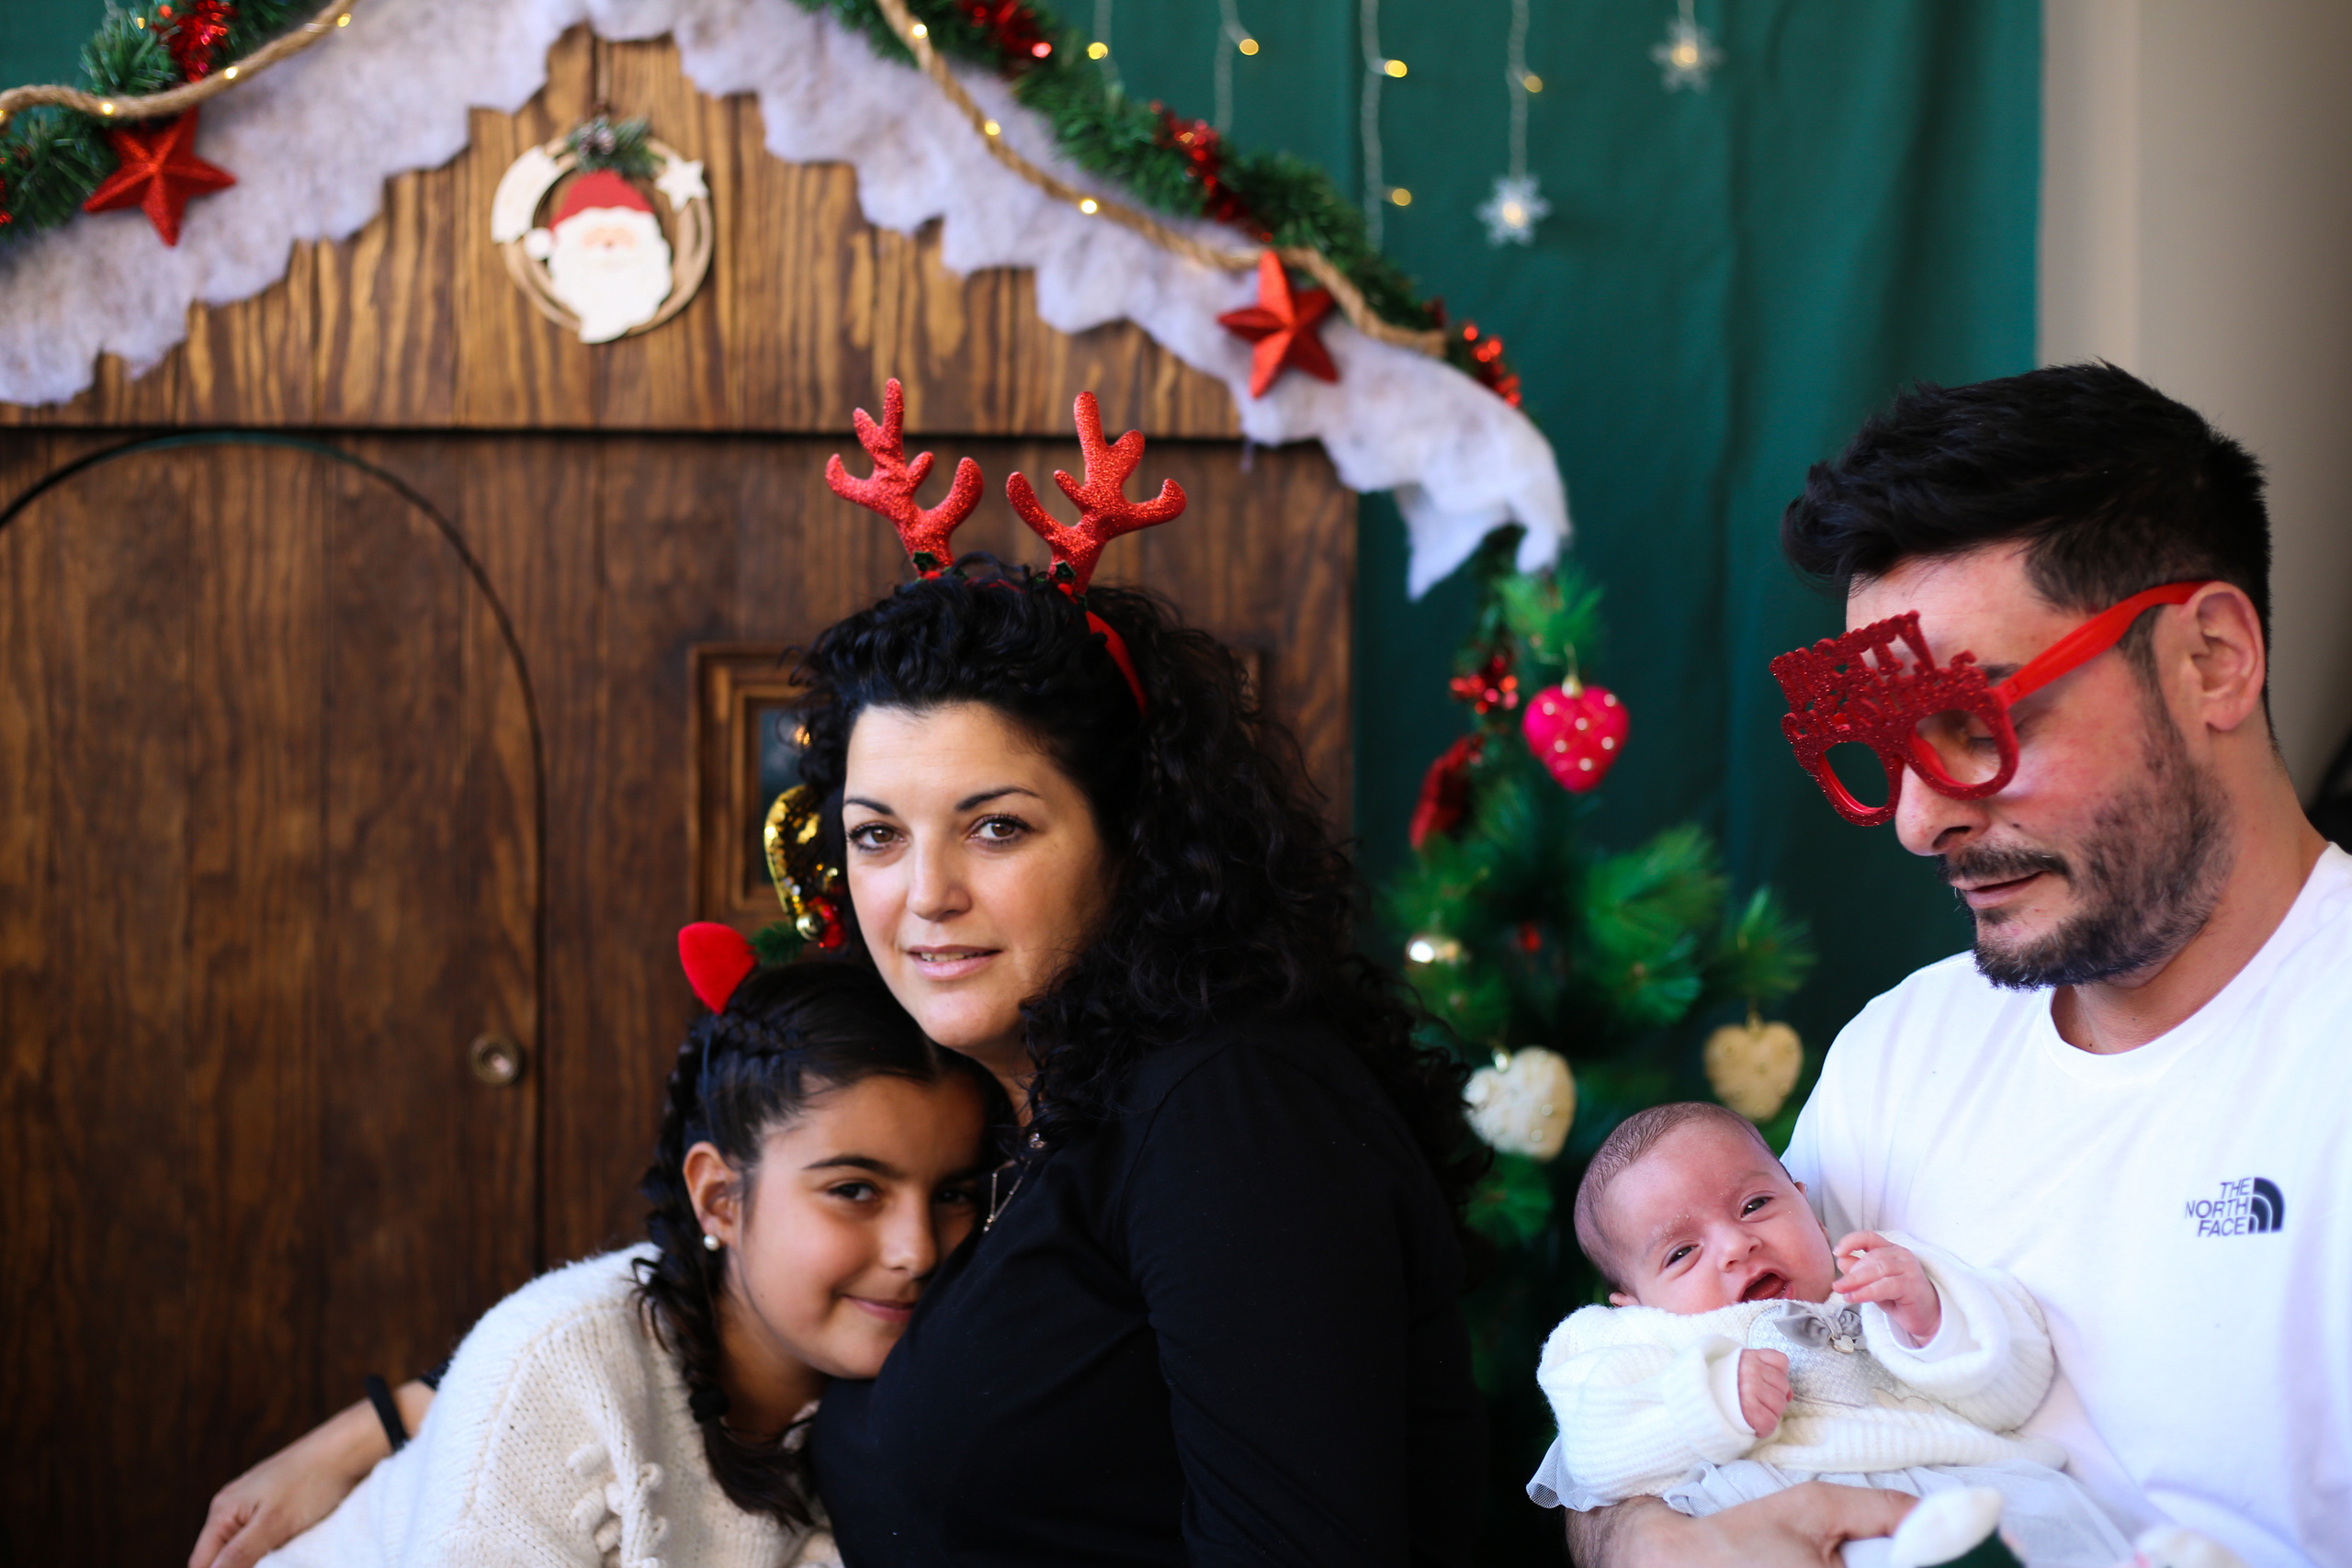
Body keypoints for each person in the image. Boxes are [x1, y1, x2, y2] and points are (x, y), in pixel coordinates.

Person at [192, 385, 1487, 1568]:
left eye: (997, 826)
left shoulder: (1228, 1103)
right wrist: (387, 1416)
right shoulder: (1007, 1106)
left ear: (1135, 836)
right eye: (879, 833)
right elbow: (741, 1315)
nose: (923, 893)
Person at [1571, 363, 2351, 1568]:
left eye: (1977, 720)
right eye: (1886, 747)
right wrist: (1648, 1543)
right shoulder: (1899, 1052)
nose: (1918, 819)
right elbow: (1643, 1411)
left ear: (2211, 660)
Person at [213, 945, 1004, 1568]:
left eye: (954, 1193)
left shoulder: (898, 1395)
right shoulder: (567, 1363)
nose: (917, 1249)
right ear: (721, 1199)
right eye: (856, 1190)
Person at [1529, 1102, 2128, 1567]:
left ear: (1808, 1209)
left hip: (1961, 1481)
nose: (1738, 1245)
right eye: (1682, 1251)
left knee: (2048, 1518)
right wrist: (1704, 1399)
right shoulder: (1642, 1343)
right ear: (1632, 1305)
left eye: (1756, 1202)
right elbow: (1595, 1450)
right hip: (1786, 1522)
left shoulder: (1879, 1278)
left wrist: (1931, 1321)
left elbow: (2017, 1389)